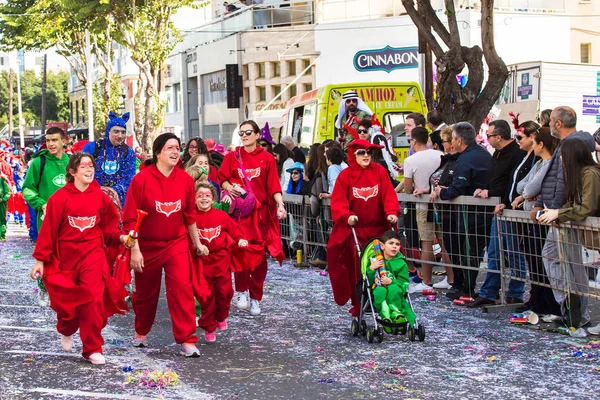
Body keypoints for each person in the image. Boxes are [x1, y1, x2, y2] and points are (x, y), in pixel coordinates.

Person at [29, 153, 132, 365]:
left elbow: (109, 227)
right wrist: (40, 259)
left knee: (93, 299)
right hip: (65, 257)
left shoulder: (101, 197)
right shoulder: (59, 198)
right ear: (72, 171)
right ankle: (66, 329)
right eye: (83, 165)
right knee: (68, 306)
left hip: (92, 255)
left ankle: (93, 347)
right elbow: (48, 230)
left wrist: (122, 236)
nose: (89, 169)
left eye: (91, 165)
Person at [123, 133, 206, 357]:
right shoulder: (142, 179)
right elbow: (131, 218)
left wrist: (197, 243)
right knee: (145, 294)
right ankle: (141, 332)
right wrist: (135, 250)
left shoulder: (185, 180)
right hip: (147, 245)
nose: (174, 151)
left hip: (176, 243)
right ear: (158, 152)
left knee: (182, 290)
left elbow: (189, 216)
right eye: (169, 147)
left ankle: (187, 340)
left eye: (177, 147)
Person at [531, 106, 594, 328]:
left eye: (549, 123)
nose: (547, 126)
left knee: (569, 262)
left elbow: (562, 179)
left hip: (563, 215)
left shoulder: (571, 145)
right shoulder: (569, 144)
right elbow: (555, 177)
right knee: (558, 259)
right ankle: (571, 306)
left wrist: (556, 212)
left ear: (558, 124)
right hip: (558, 212)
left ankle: (575, 309)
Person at [219, 120, 287, 316]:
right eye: (241, 133)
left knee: (258, 258)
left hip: (261, 215)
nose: (244, 135)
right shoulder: (232, 156)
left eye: (248, 132)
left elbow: (274, 186)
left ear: (258, 135)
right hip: (240, 215)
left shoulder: (267, 158)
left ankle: (256, 296)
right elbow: (222, 178)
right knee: (240, 252)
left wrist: (280, 205)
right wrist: (228, 187)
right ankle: (241, 291)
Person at [327, 139, 400, 317]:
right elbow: (338, 201)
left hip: (378, 231)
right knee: (357, 268)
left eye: (368, 152)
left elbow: (388, 194)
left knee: (384, 265)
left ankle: (386, 301)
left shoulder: (380, 171)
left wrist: (391, 211)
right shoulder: (345, 176)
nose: (366, 155)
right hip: (355, 232)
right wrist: (346, 216)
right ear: (353, 155)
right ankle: (360, 303)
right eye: (361, 152)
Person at [468, 120, 537, 307]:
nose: (517, 140)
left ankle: (515, 291)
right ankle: (490, 291)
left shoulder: (521, 154)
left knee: (514, 253)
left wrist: (503, 199)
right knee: (494, 252)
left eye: (520, 137)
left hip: (511, 210)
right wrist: (487, 190)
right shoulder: (503, 154)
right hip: (502, 208)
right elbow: (499, 179)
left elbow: (513, 184)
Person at [431, 122, 492, 299]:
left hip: (470, 213)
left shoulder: (466, 158)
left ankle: (467, 288)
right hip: (475, 211)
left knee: (469, 251)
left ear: (458, 140)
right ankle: (465, 286)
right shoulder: (482, 153)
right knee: (471, 251)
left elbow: (458, 187)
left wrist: (443, 192)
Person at [192, 182, 258, 342]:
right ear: (194, 199)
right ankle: (208, 326)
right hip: (201, 262)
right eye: (200, 196)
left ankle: (221, 316)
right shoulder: (191, 218)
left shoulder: (221, 215)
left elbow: (235, 230)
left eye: (207, 196)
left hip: (221, 260)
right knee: (205, 296)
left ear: (213, 198)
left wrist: (241, 240)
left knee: (225, 291)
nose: (204, 199)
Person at [512, 127, 561, 316]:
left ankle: (550, 303)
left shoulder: (549, 163)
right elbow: (521, 186)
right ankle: (538, 299)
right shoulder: (539, 163)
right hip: (531, 218)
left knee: (543, 262)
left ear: (541, 144)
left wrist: (525, 195)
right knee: (534, 262)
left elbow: (530, 188)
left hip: (543, 221)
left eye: (534, 142)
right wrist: (524, 194)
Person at [23, 127, 70, 307]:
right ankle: (44, 287)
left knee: (68, 253)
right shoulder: (38, 163)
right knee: (46, 253)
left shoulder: (72, 162)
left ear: (63, 141)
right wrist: (40, 203)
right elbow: (27, 188)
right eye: (48, 140)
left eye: (55, 140)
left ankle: (65, 288)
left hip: (68, 219)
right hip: (46, 217)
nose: (51, 144)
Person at [400, 127, 443, 289]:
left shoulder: (411, 160)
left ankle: (427, 280)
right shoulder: (440, 155)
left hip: (422, 205)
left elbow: (409, 188)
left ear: (414, 141)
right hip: (442, 204)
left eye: (409, 140)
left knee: (426, 242)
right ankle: (450, 278)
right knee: (444, 242)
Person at [83, 112, 136, 208]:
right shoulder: (93, 148)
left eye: (123, 132)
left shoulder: (128, 152)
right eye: (116, 131)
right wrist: (98, 190)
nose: (120, 136)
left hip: (118, 201)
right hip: (92, 198)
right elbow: (82, 172)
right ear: (108, 131)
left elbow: (129, 178)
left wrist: (113, 191)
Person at [366, 230, 415, 327]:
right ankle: (385, 314)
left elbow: (404, 282)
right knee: (380, 292)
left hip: (395, 287)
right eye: (391, 243)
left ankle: (396, 312)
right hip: (378, 286)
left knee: (394, 290)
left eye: (397, 244)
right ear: (382, 246)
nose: (394, 246)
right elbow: (368, 280)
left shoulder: (401, 263)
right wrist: (372, 268)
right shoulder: (375, 260)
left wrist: (392, 281)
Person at [0, 173, 9, 241]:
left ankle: (3, 234)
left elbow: (8, 193)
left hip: (2, 204)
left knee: (2, 219)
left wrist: (3, 199)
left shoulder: (2, 182)